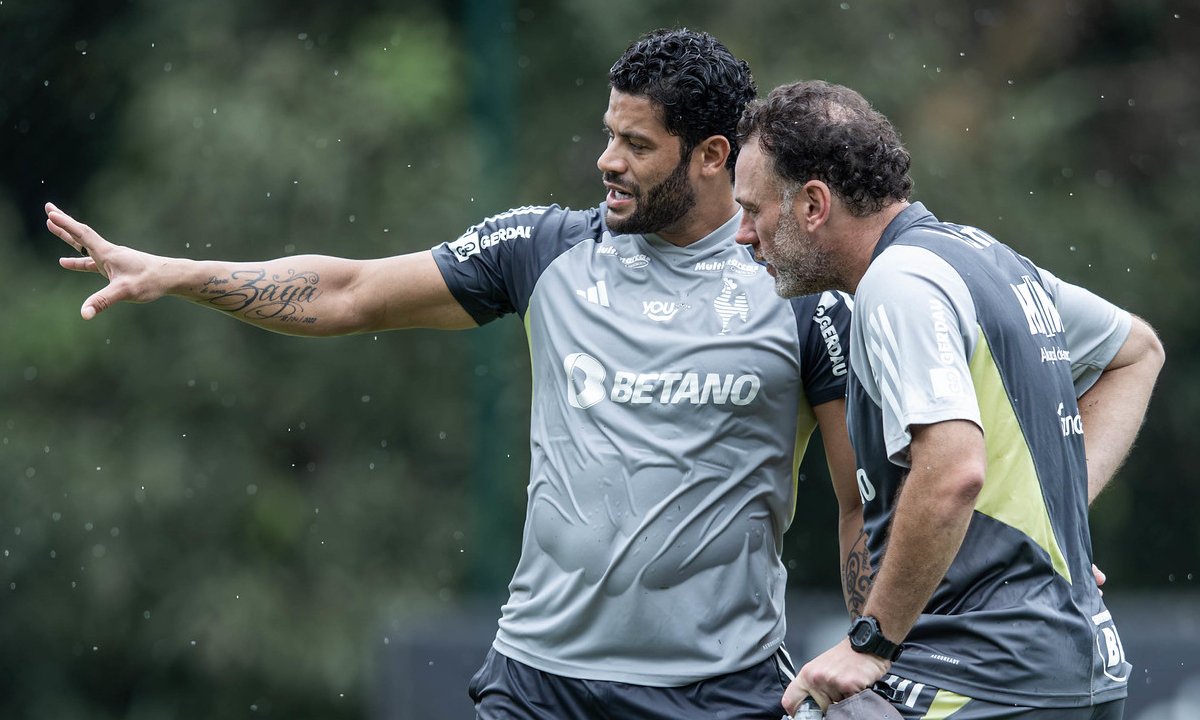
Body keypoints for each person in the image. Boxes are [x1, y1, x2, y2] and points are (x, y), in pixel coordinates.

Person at [46, 31, 865, 719]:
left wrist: (868, 654)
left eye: (637, 145)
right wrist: (175, 273)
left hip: (719, 692)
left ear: (714, 156)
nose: (606, 160)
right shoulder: (544, 250)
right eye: (609, 134)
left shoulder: (797, 292)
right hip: (540, 684)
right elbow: (349, 294)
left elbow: (861, 502)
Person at [732, 79, 1165, 719]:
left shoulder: (896, 284)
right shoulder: (983, 255)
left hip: (981, 681)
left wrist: (871, 640)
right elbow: (1138, 349)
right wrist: (1053, 536)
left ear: (814, 204)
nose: (743, 235)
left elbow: (954, 469)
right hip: (1076, 674)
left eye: (753, 210)